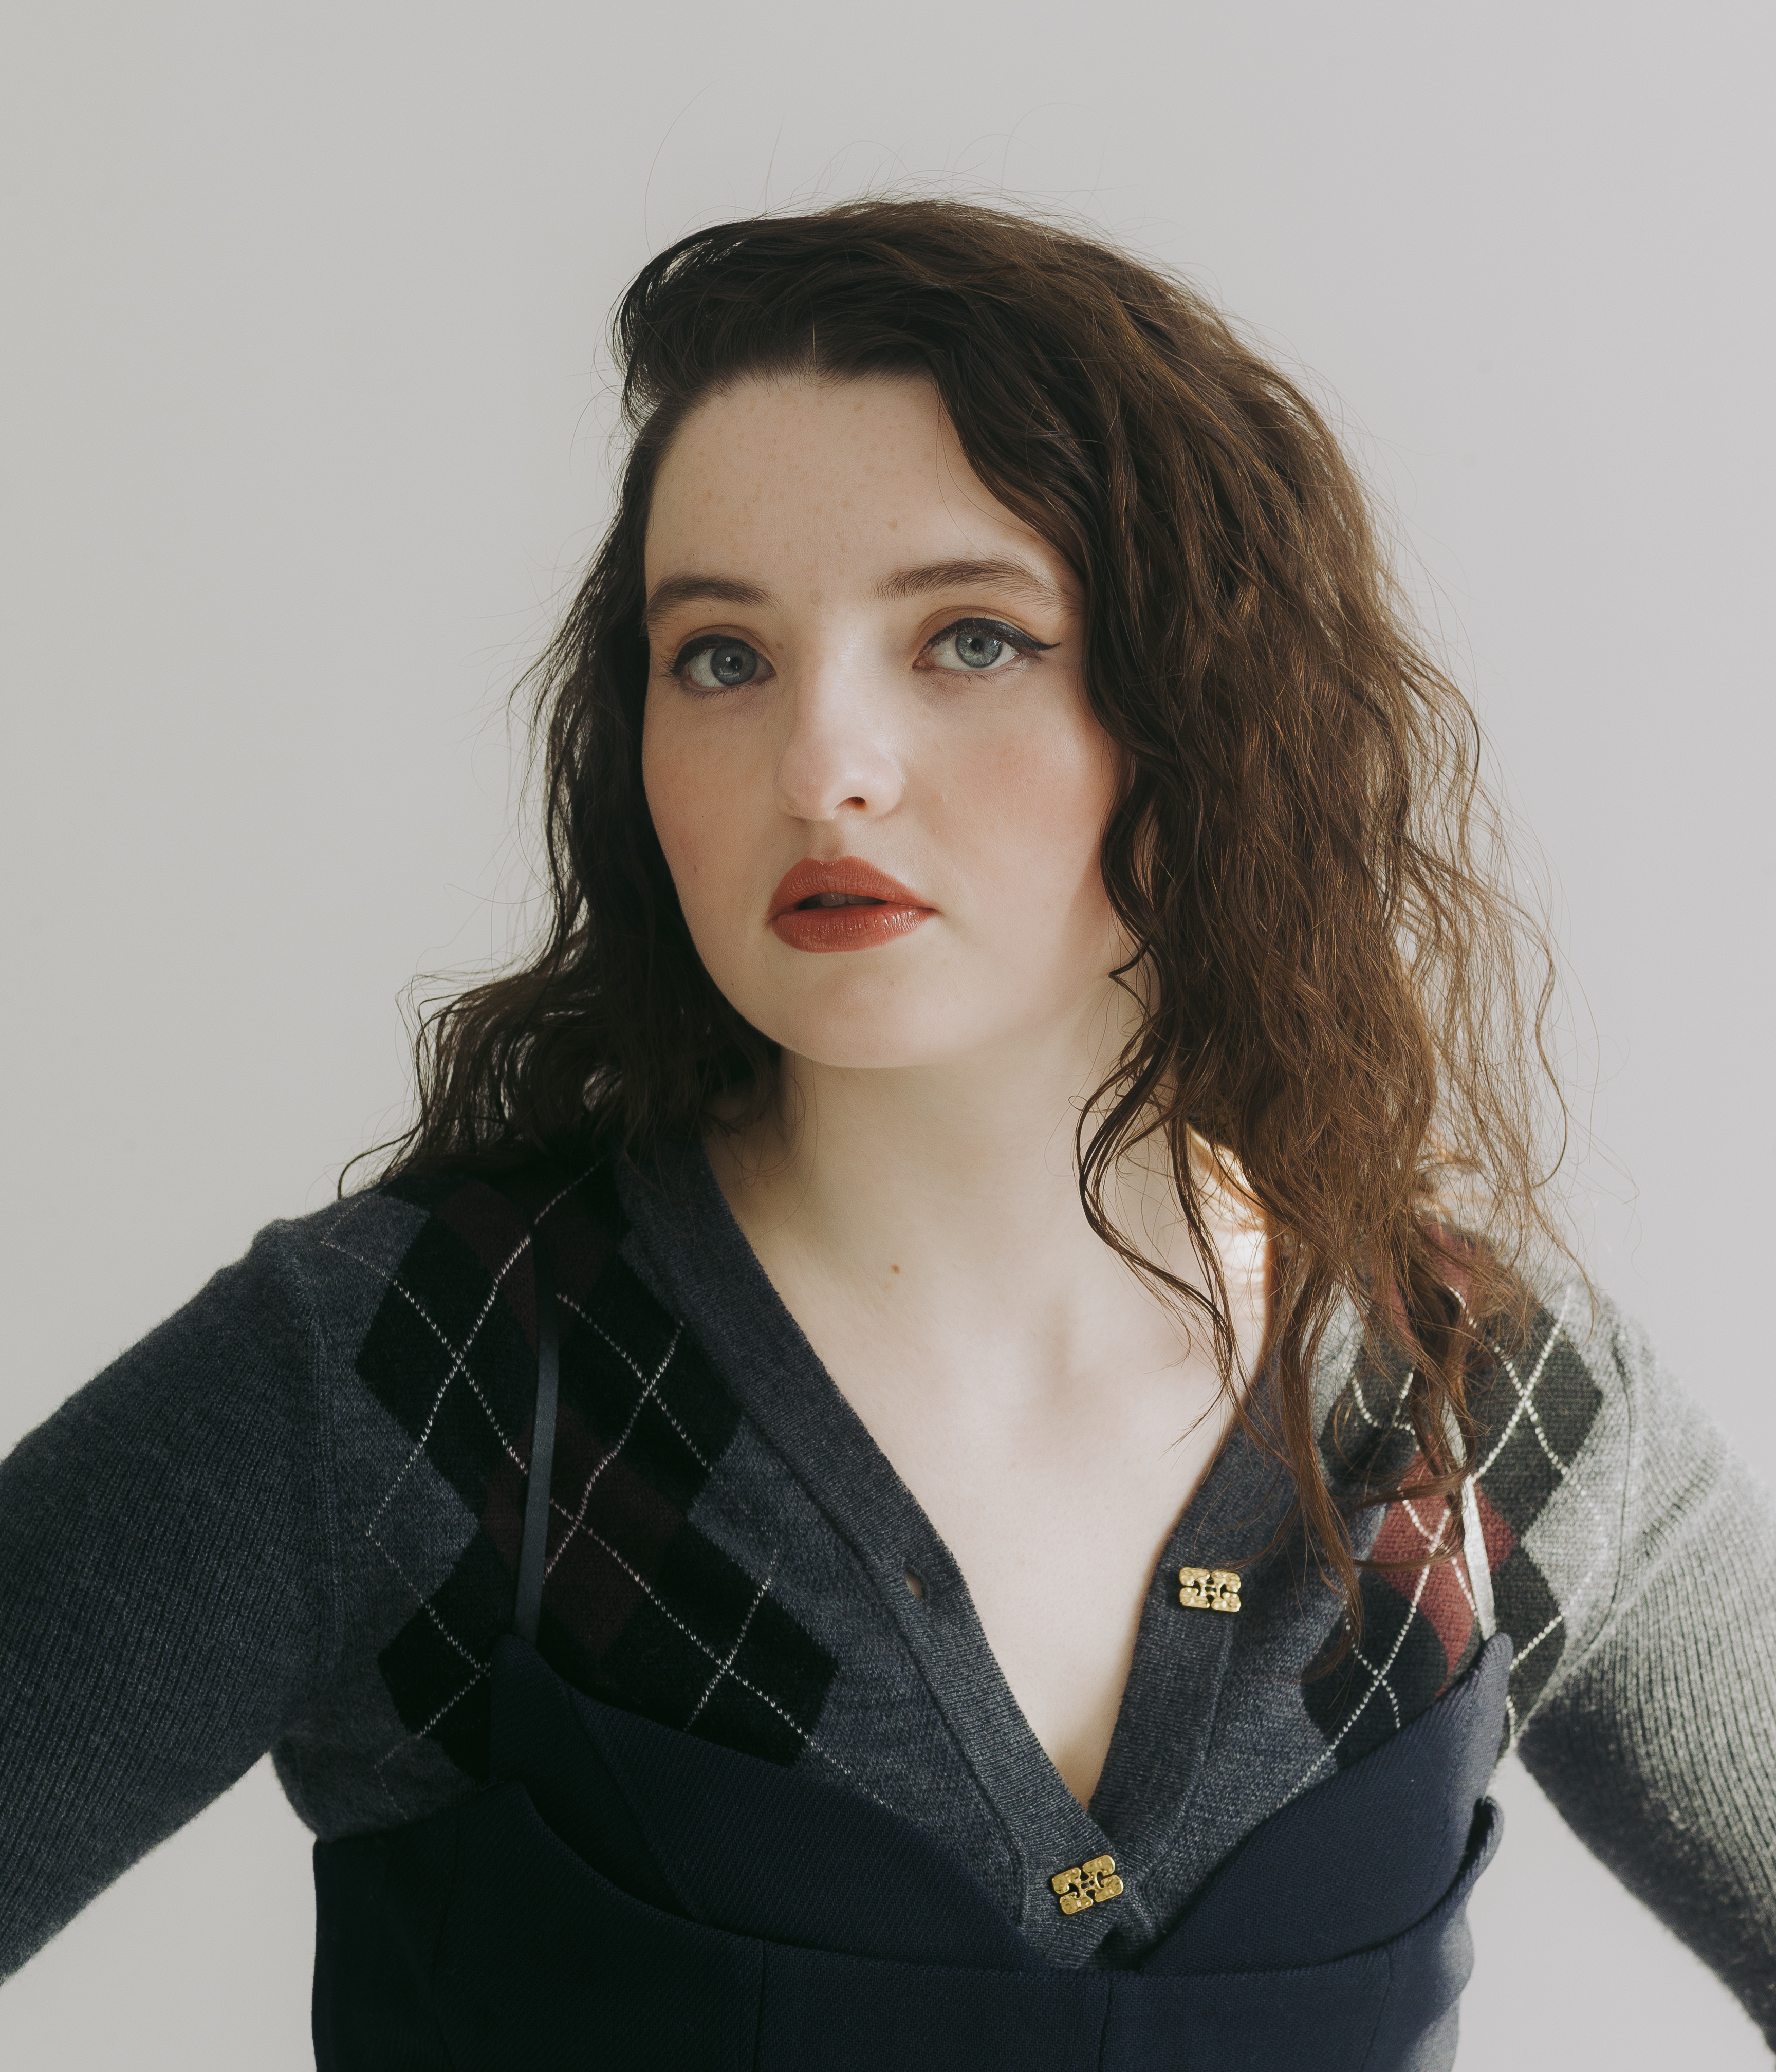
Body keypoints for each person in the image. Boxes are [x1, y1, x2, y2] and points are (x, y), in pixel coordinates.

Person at [1, 198, 1771, 2068]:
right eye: (721, 656)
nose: (820, 764)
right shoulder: (414, 1374)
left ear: (1213, 707)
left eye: (970, 639)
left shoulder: (1482, 1406)